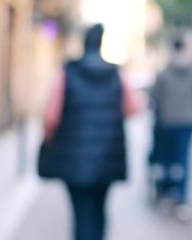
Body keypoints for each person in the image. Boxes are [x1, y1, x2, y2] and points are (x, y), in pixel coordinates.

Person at [40, 24, 141, 240]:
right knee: (99, 209)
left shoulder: (67, 72)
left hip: (73, 157)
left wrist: (49, 140)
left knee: (80, 213)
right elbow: (133, 107)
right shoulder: (116, 74)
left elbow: (50, 116)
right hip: (107, 156)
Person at [148, 36, 192, 220]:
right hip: (187, 122)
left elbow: (156, 97)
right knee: (184, 160)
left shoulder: (164, 72)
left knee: (168, 160)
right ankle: (182, 199)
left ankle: (166, 194)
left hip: (167, 122)